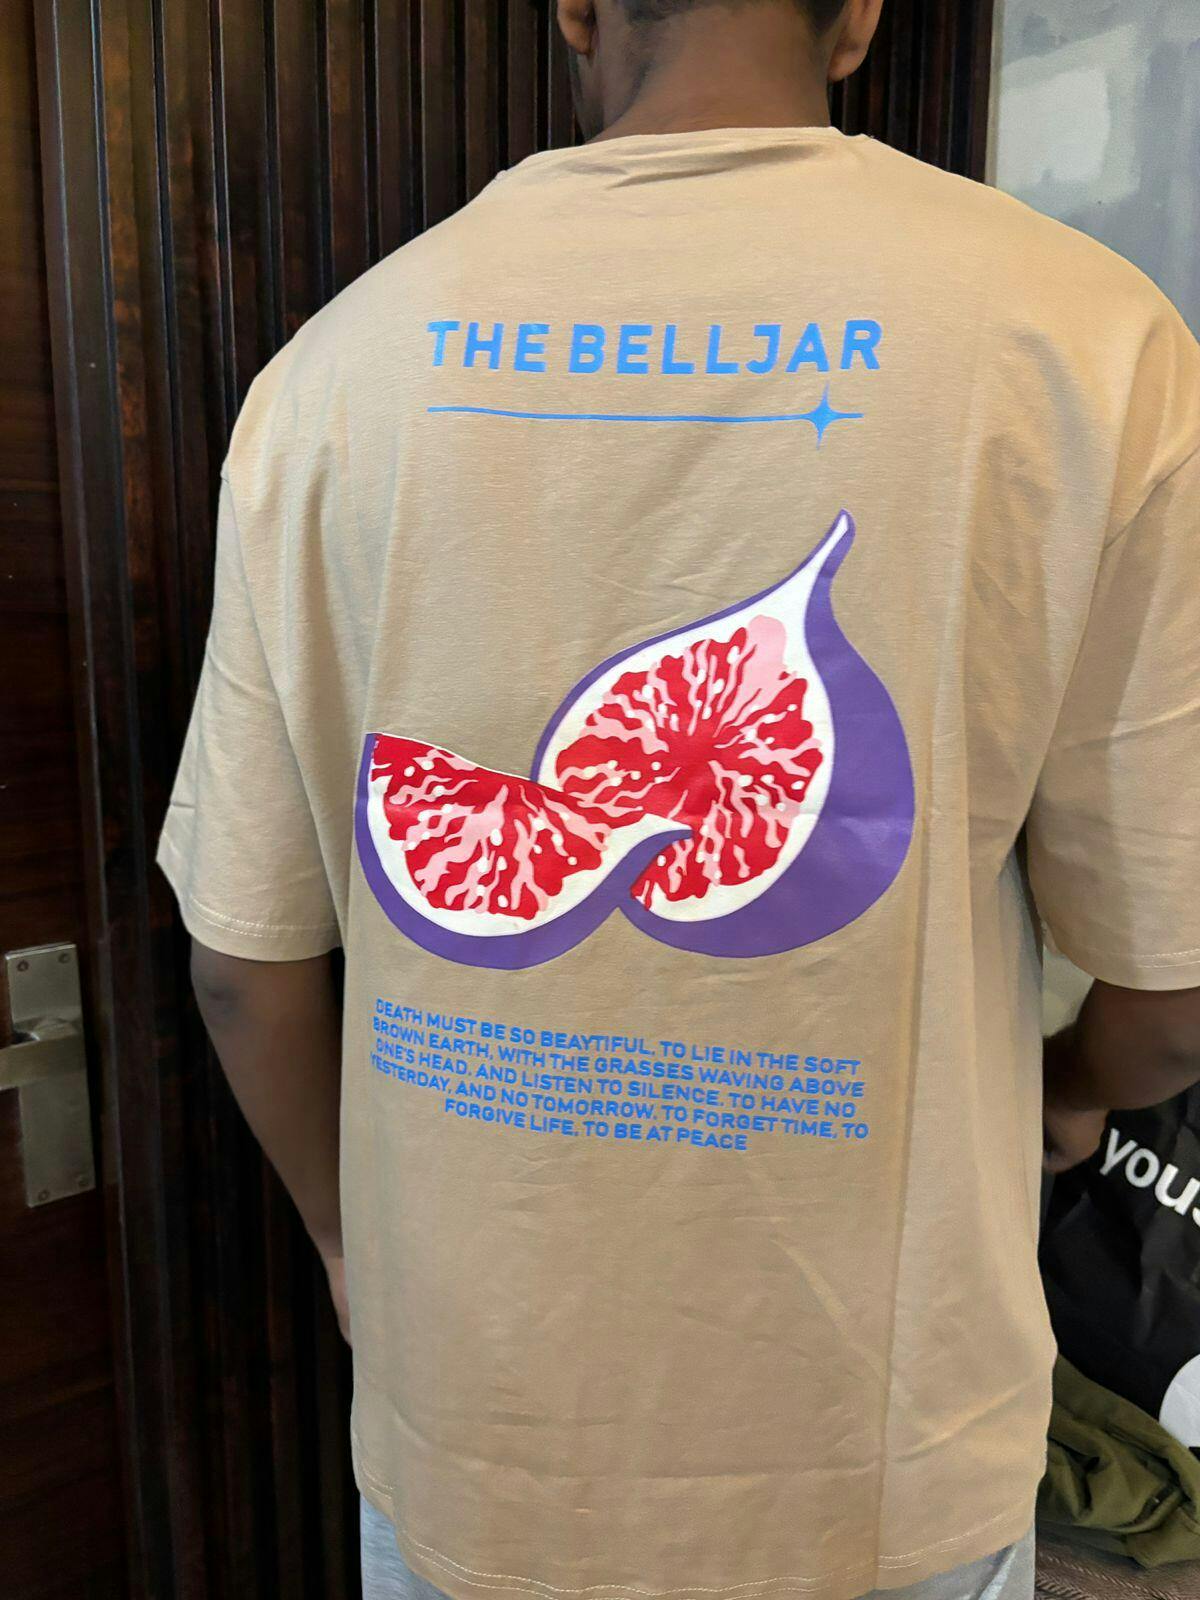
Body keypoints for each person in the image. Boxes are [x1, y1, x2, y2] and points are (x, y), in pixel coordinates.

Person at [156, 2, 1200, 1597]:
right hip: (881, 1451)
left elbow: (243, 966)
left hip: (480, 1441)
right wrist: (1064, 1090)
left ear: (578, 9)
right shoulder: (1092, 342)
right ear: (857, 16)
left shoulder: (332, 373)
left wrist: (349, 1243)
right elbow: (1172, 1000)